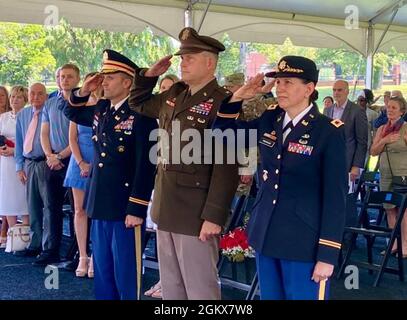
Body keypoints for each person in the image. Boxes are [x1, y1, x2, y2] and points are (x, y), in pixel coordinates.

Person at [213, 56, 347, 300]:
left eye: (287, 82)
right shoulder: (270, 119)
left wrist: (327, 254)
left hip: (303, 242)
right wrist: (237, 97)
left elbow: (335, 199)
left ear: (309, 89)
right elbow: (223, 134)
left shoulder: (328, 132)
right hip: (267, 236)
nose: (279, 87)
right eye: (278, 82)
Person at [129, 27, 240, 300]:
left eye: (191, 57)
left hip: (196, 211)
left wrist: (214, 215)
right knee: (172, 287)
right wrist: (148, 76)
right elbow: (138, 103)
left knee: (200, 287)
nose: (183, 62)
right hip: (166, 204)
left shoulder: (223, 101)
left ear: (210, 62)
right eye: (182, 57)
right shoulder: (175, 94)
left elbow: (227, 163)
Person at [64, 49, 157, 300]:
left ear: (127, 82)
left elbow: (146, 165)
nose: (103, 81)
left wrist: (137, 208)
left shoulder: (142, 115)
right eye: (103, 76)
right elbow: (70, 111)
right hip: (100, 202)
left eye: (110, 77)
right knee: (103, 272)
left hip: (124, 205)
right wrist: (84, 91)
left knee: (125, 272)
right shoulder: (102, 109)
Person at [37, 64, 79, 266]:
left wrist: (61, 156)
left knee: (76, 209)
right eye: (62, 76)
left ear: (77, 79)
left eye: (69, 76)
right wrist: (49, 156)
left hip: (74, 159)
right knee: (51, 207)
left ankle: (75, 252)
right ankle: (51, 249)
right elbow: (44, 132)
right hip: (51, 161)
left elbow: (78, 135)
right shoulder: (50, 103)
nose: (65, 80)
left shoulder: (82, 102)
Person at [63, 72, 102, 277]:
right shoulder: (79, 106)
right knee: (79, 211)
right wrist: (81, 163)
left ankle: (97, 255)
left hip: (100, 164)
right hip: (78, 163)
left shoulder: (104, 106)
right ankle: (83, 256)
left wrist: (93, 165)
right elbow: (72, 139)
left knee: (97, 212)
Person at [144, 73, 179, 299]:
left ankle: (172, 283)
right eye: (162, 87)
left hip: (175, 180)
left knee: (173, 235)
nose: (165, 91)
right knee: (160, 232)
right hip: (157, 178)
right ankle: (164, 279)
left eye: (170, 87)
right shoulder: (155, 114)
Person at [370, 96, 407, 257]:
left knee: (403, 210)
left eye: (394, 108)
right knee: (389, 208)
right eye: (388, 107)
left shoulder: (405, 128)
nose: (390, 110)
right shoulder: (381, 129)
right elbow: (373, 152)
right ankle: (394, 243)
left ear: (402, 111)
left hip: (402, 174)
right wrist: (384, 140)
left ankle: (405, 244)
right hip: (384, 175)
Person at [14, 83, 48, 257]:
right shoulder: (24, 114)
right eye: (33, 94)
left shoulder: (50, 113)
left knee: (48, 206)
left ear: (46, 96)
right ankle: (35, 243)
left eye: (40, 94)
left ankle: (47, 247)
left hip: (45, 163)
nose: (36, 97)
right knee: (32, 206)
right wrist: (19, 167)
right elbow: (19, 143)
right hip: (28, 163)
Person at [0, 86, 29, 231]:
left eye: (18, 97)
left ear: (25, 100)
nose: (14, 100)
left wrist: (15, 150)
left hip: (21, 161)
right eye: (12, 97)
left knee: (22, 198)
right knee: (8, 196)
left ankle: (24, 234)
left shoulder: (28, 116)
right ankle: (12, 235)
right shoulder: (3, 117)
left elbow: (31, 141)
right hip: (5, 162)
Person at [0, 86, 11, 248]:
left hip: (8, 156)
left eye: (2, 95)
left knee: (6, 194)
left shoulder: (11, 115)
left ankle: (5, 230)